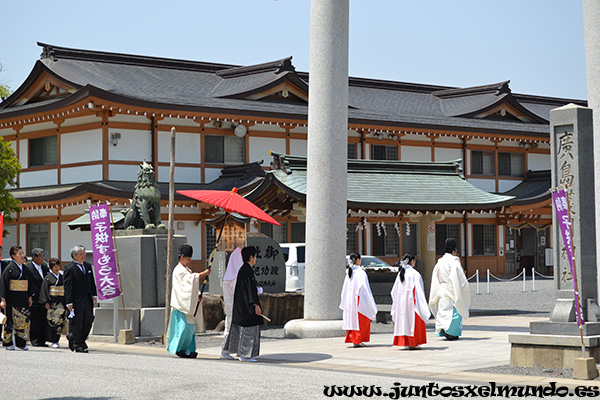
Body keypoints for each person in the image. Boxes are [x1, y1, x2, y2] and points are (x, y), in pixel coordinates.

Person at [166, 243, 211, 358]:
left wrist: (198, 295)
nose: (190, 261)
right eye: (188, 259)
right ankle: (178, 348)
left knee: (190, 330)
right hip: (181, 306)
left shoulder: (187, 270)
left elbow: (191, 285)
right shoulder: (178, 271)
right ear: (182, 258)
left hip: (187, 306)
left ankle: (189, 350)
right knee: (183, 328)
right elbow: (189, 281)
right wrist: (204, 273)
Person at [222, 246, 263, 362]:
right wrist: (256, 305)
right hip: (246, 307)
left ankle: (235, 352)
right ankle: (245, 354)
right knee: (248, 330)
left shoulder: (244, 270)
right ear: (251, 257)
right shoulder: (246, 270)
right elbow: (250, 290)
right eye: (255, 256)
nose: (256, 259)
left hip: (241, 305)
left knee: (237, 331)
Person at [428, 238, 470, 340]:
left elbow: (435, 276)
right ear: (454, 251)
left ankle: (442, 329)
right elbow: (457, 276)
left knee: (443, 312)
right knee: (454, 312)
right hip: (452, 288)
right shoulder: (454, 261)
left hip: (441, 289)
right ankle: (451, 332)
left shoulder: (440, 261)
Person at [391, 253, 431, 349]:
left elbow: (394, 291)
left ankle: (404, 342)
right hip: (412, 303)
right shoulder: (415, 274)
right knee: (412, 322)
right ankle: (413, 342)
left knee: (403, 322)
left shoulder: (400, 274)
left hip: (401, 303)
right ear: (412, 261)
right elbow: (419, 291)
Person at [64, 245, 97, 353]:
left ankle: (76, 337)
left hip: (87, 298)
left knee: (88, 319)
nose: (84, 256)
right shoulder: (69, 268)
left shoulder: (87, 266)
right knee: (77, 321)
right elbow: (68, 286)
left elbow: (91, 282)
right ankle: (78, 344)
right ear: (74, 256)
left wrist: (94, 295)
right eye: (81, 254)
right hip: (76, 299)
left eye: (84, 254)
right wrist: (69, 301)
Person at [339, 252, 377, 348]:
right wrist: (369, 300)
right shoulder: (361, 272)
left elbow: (344, 288)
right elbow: (364, 288)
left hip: (350, 300)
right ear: (358, 260)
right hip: (359, 300)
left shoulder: (348, 272)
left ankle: (354, 339)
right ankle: (358, 340)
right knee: (361, 320)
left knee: (352, 320)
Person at [0, 245, 33, 350]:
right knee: (10, 321)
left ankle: (21, 343)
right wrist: (3, 299)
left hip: (23, 297)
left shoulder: (25, 268)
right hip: (12, 297)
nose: (22, 255)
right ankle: (8, 343)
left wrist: (29, 297)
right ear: (13, 256)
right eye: (19, 254)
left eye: (22, 253)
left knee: (23, 320)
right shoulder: (9, 268)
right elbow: (4, 284)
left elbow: (30, 283)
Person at [39, 258, 66, 348]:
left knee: (60, 321)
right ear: (51, 267)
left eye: (58, 266)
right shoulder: (48, 278)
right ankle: (53, 340)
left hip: (61, 302)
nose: (57, 268)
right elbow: (44, 290)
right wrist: (46, 301)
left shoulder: (62, 277)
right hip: (52, 302)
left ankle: (57, 339)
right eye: (55, 266)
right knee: (52, 321)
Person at [26, 248, 50, 347]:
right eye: (40, 256)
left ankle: (42, 339)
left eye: (43, 256)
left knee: (43, 319)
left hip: (44, 298)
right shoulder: (29, 268)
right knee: (35, 320)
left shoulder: (44, 267)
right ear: (34, 258)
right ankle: (35, 339)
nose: (42, 258)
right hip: (35, 297)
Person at [222, 247, 243, 337]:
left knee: (229, 315)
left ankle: (228, 334)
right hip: (235, 280)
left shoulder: (227, 277)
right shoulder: (237, 278)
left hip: (228, 279)